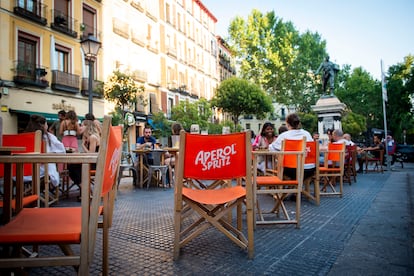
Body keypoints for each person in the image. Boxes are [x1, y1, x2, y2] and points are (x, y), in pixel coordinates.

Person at [25, 114, 66, 189]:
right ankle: (41, 191)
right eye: (47, 123)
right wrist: (50, 153)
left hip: (23, 172)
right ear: (43, 125)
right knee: (49, 167)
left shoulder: (24, 137)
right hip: (43, 172)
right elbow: (62, 151)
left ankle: (28, 192)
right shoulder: (48, 137)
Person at [269, 113, 314, 180]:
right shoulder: (307, 134)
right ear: (299, 123)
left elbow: (271, 148)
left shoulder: (284, 136)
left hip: (292, 170)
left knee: (279, 163)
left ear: (287, 124)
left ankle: (284, 188)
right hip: (309, 170)